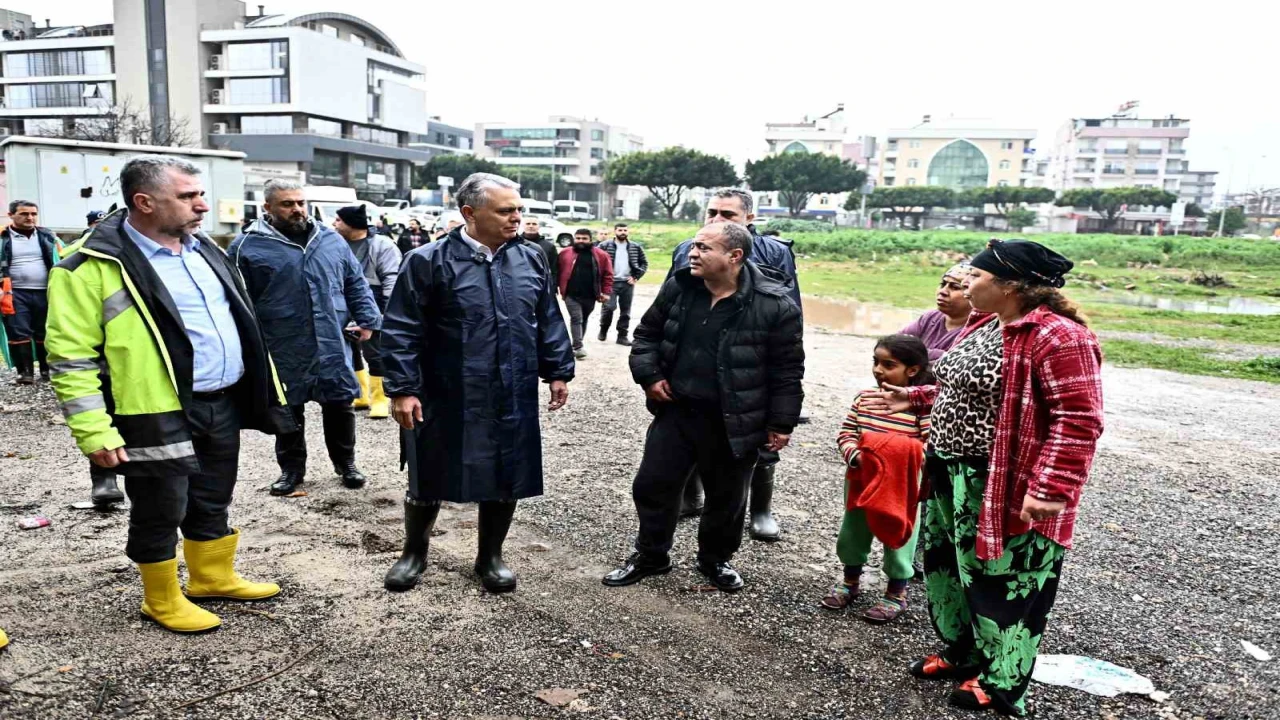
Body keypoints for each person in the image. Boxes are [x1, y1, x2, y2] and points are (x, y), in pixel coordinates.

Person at [45, 156, 295, 633]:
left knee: (213, 494)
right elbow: (70, 358)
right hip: (152, 409)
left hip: (221, 399)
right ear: (143, 202)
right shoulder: (86, 267)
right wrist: (94, 430)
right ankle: (161, 598)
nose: (202, 205)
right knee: (161, 504)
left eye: (199, 194)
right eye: (187, 196)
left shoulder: (204, 250)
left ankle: (211, 576)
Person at [863, 239, 1104, 716]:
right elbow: (965, 385)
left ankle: (1002, 681)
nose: (964, 283)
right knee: (949, 570)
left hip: (1004, 483)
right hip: (950, 472)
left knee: (1007, 581)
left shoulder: (1059, 336)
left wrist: (1051, 489)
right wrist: (913, 398)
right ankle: (963, 654)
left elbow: (1078, 419)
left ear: (1011, 285)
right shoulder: (988, 324)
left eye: (975, 276)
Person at [380, 172, 574, 594]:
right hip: (444, 390)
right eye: (506, 210)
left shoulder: (530, 258)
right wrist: (402, 388)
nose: (516, 218)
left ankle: (490, 556)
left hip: (511, 387)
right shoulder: (427, 261)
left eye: (519, 209)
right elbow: (400, 329)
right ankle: (414, 553)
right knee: (429, 469)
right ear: (469, 213)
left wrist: (557, 369)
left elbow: (547, 317)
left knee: (507, 469)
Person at [603, 222, 804, 593]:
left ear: (734, 256)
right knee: (653, 486)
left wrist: (782, 422)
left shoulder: (774, 305)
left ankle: (715, 560)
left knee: (727, 498)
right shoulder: (680, 287)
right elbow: (646, 335)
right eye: (693, 246)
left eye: (703, 248)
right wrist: (649, 377)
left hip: (735, 420)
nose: (693, 253)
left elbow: (788, 371)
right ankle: (651, 556)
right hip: (677, 412)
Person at [229, 179, 382, 497]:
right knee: (288, 408)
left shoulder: (330, 239)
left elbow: (355, 281)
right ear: (267, 208)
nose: (297, 209)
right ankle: (291, 470)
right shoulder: (247, 246)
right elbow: (235, 299)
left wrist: (368, 319)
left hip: (330, 337)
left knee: (339, 403)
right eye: (287, 204)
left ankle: (346, 463)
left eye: (300, 202)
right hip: (282, 342)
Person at [668, 188, 801, 541]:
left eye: (727, 215)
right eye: (712, 212)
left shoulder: (776, 252)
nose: (716, 219)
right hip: (699, 358)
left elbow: (790, 309)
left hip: (749, 359)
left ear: (749, 219)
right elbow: (671, 307)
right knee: (689, 430)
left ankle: (760, 509)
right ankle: (692, 495)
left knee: (752, 437)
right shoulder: (687, 249)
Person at [822, 335, 932, 624]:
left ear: (912, 370)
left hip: (902, 484)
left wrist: (896, 457)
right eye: (876, 362)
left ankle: (896, 593)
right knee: (853, 530)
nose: (879, 370)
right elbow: (846, 433)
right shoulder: (865, 397)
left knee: (899, 533)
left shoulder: (920, 406)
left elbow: (929, 445)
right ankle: (849, 582)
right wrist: (855, 456)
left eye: (889, 364)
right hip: (861, 477)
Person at [333, 204, 401, 419]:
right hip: (343, 303)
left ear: (351, 224)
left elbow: (392, 277)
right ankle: (360, 394)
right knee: (350, 350)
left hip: (375, 302)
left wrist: (386, 310)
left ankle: (380, 398)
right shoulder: (336, 244)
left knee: (375, 352)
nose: (334, 224)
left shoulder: (382, 245)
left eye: (339, 220)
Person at [1, 200, 58, 384]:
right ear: (11, 215)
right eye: (24, 214)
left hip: (45, 291)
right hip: (14, 293)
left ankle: (46, 370)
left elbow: (62, 257)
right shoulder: (2, 238)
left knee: (46, 330)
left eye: (33, 214)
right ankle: (25, 372)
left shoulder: (47, 236)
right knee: (18, 330)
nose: (30, 217)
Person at [557, 228, 613, 359]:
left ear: (590, 240)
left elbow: (608, 275)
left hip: (591, 294)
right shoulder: (565, 253)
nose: (580, 241)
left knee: (584, 318)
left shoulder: (601, 255)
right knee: (577, 318)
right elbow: (557, 271)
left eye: (584, 239)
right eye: (578, 238)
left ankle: (576, 344)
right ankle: (578, 347)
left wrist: (606, 292)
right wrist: (556, 288)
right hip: (571, 294)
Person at [901, 263, 973, 361]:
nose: (943, 291)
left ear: (973, 294)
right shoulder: (930, 318)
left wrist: (915, 353)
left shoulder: (980, 330)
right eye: (943, 284)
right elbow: (893, 346)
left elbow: (954, 364)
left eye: (955, 287)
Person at [597, 223, 648, 346]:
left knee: (625, 311)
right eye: (620, 230)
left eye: (625, 230)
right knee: (609, 307)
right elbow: (595, 262)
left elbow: (644, 263)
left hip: (627, 283)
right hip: (610, 283)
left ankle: (622, 335)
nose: (623, 232)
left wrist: (636, 277)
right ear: (615, 231)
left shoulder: (635, 247)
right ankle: (603, 329)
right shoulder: (604, 245)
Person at [521, 217, 560, 295]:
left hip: (542, 288)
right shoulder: (513, 244)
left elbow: (554, 269)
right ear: (523, 226)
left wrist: (553, 286)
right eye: (528, 224)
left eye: (534, 224)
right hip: (520, 287)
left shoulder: (549, 246)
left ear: (539, 227)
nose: (531, 226)